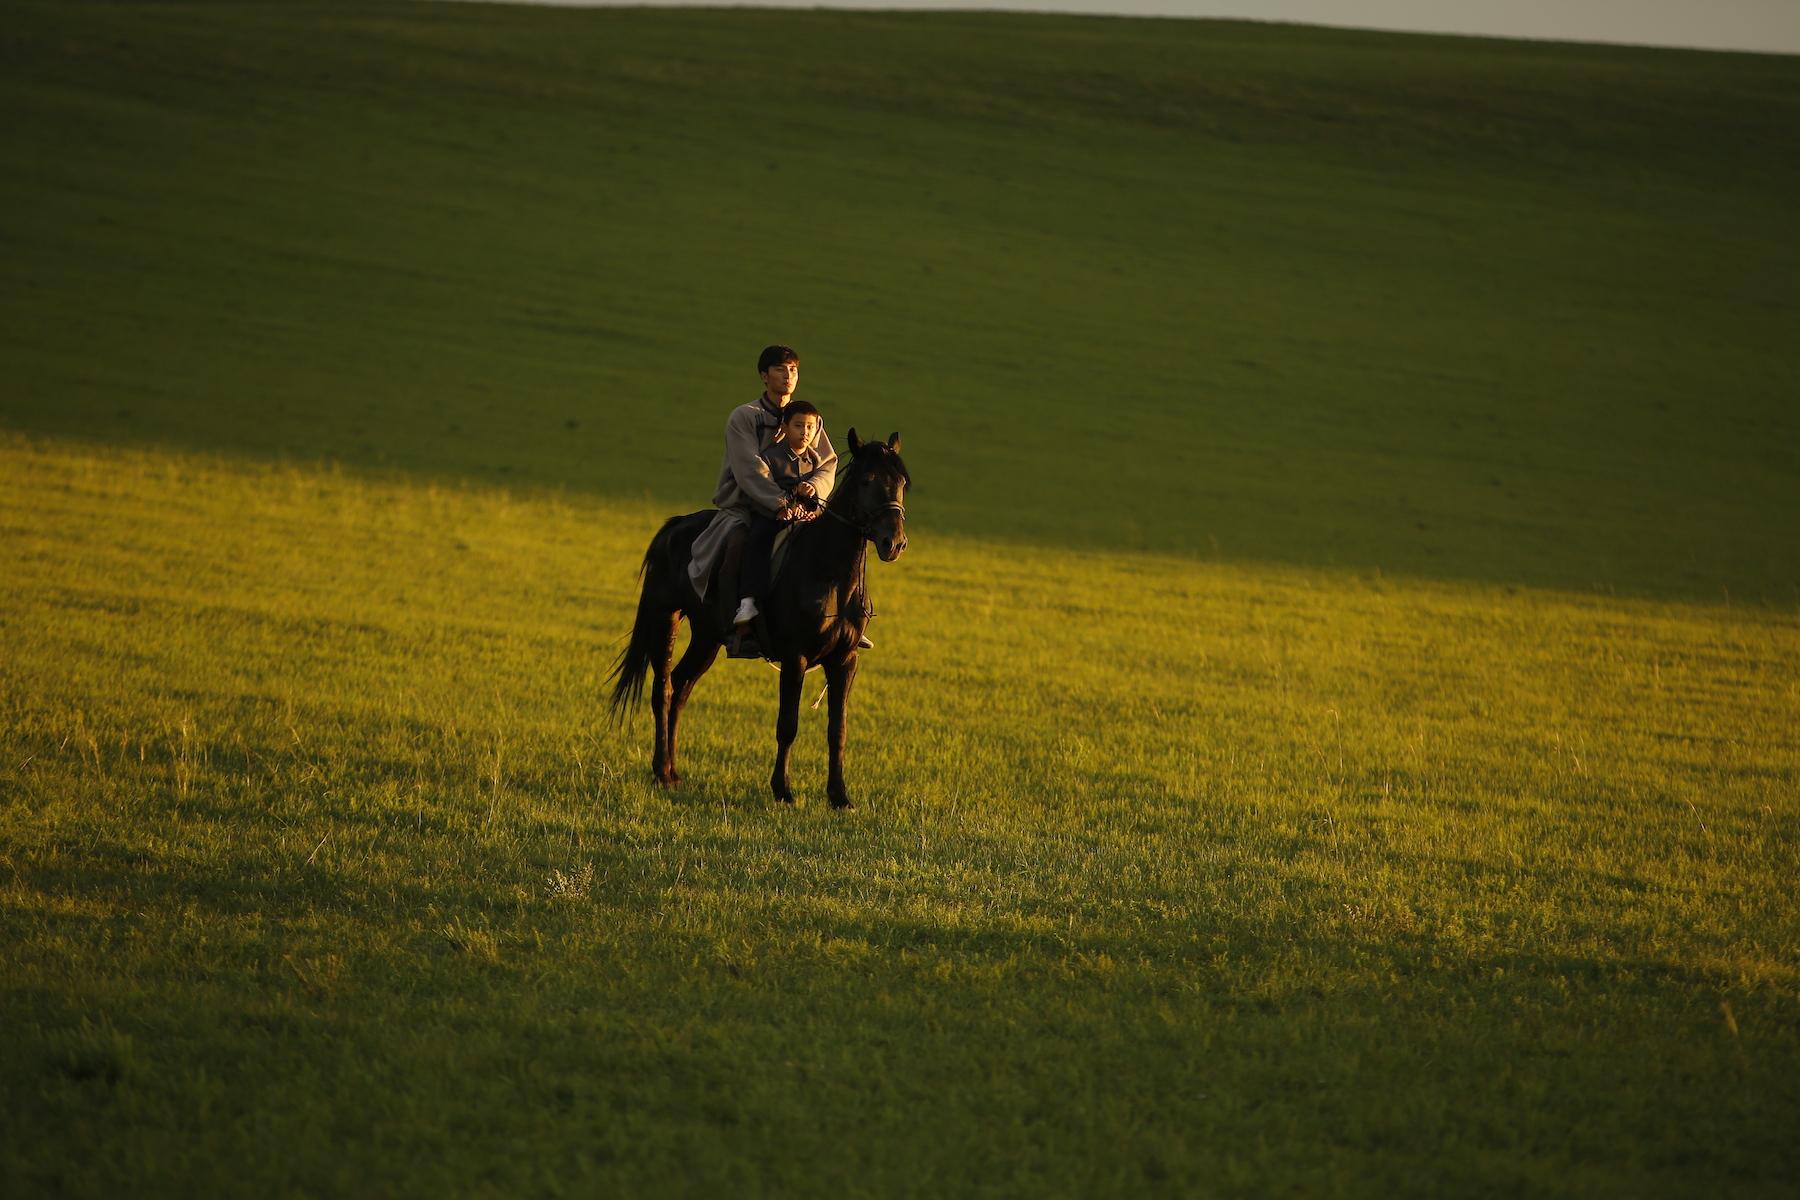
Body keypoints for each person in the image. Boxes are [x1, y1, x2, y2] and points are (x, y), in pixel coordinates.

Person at [685, 345, 837, 645]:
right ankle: (739, 619)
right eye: (781, 369)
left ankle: (844, 618)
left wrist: (815, 489)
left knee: (840, 544)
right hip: (748, 505)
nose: (788, 375)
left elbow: (828, 463)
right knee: (741, 546)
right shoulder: (745, 416)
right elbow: (750, 469)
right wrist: (781, 503)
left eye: (793, 369)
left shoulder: (808, 417)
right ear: (763, 376)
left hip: (804, 509)